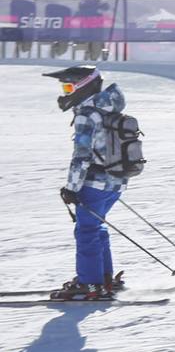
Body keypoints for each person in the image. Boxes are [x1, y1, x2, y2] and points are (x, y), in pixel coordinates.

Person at [45, 66, 130, 301]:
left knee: (86, 231)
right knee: (96, 227)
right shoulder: (107, 108)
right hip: (116, 180)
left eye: (68, 87)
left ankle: (90, 284)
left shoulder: (87, 114)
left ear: (83, 86)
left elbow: (81, 156)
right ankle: (103, 278)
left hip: (94, 183)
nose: (65, 93)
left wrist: (71, 188)